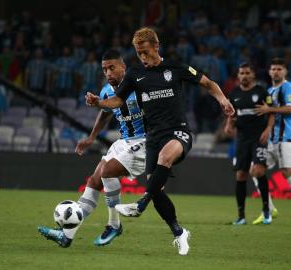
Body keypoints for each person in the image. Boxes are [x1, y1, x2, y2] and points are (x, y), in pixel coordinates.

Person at [85, 27, 234, 255]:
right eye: (138, 53)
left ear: (156, 46)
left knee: (166, 158)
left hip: (178, 132)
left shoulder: (175, 68)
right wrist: (99, 103)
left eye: (145, 52)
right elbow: (116, 101)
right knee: (158, 191)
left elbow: (209, 84)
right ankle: (179, 233)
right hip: (152, 138)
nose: (143, 58)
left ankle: (140, 203)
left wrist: (222, 100)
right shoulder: (135, 75)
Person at [37, 49, 146, 247]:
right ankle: (66, 236)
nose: (108, 73)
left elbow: (116, 104)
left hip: (145, 141)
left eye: (112, 68)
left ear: (123, 67)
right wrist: (91, 137)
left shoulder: (139, 86)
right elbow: (106, 112)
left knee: (107, 171)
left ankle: (114, 224)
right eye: (105, 69)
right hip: (124, 141)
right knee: (95, 180)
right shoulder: (106, 91)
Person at [255, 57, 291, 227]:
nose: (276, 72)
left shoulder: (288, 87)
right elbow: (268, 113)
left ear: (285, 71)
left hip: (285, 137)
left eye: (279, 69)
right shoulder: (269, 90)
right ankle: (269, 209)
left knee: (287, 171)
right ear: (269, 71)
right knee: (255, 170)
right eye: (273, 69)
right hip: (271, 139)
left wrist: (269, 109)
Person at [224, 62, 275, 225]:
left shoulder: (261, 92)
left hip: (259, 138)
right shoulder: (234, 94)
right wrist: (228, 125)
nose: (244, 76)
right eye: (241, 73)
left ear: (253, 75)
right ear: (238, 76)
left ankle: (267, 211)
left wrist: (268, 129)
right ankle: (241, 216)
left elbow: (272, 112)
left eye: (247, 73)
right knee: (240, 175)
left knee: (259, 171)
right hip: (242, 139)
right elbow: (232, 114)